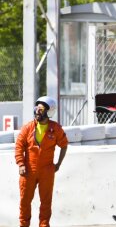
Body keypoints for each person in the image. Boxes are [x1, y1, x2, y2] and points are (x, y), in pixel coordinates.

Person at [15, 96, 68, 227]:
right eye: (36, 109)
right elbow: (19, 146)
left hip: (47, 170)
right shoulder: (28, 127)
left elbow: (64, 145)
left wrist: (58, 164)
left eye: (41, 110)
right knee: (25, 201)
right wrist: (21, 164)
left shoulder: (56, 128)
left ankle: (44, 225)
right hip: (28, 170)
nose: (37, 112)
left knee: (46, 202)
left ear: (49, 112)